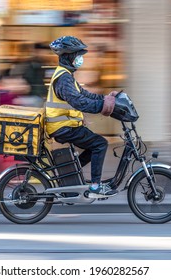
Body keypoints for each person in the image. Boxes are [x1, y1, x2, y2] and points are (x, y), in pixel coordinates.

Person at [46, 36, 118, 198]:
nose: (80, 59)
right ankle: (95, 187)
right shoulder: (63, 78)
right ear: (68, 56)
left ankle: (70, 173)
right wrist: (103, 107)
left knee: (93, 145)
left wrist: (107, 99)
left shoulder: (66, 75)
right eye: (77, 55)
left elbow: (85, 95)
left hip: (66, 125)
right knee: (100, 144)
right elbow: (79, 102)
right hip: (62, 127)